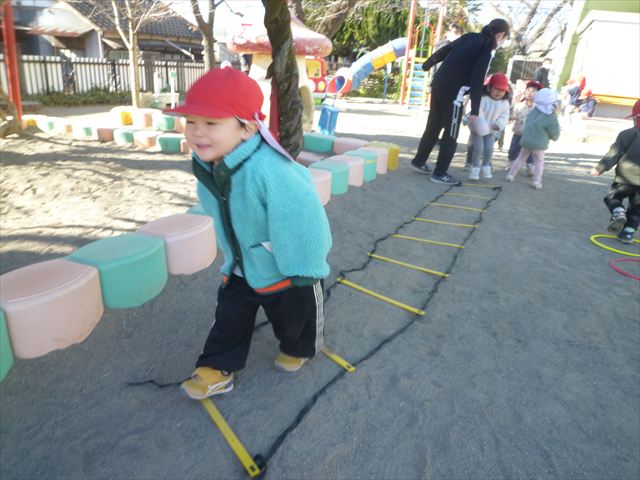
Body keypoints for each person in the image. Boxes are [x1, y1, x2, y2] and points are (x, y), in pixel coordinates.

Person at [164, 67, 332, 399]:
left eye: (211, 123)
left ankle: (300, 346)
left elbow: (304, 220)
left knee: (295, 319)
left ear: (248, 127)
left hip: (288, 267)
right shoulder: (211, 167)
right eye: (191, 121)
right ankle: (216, 367)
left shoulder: (271, 170)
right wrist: (232, 256)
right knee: (229, 316)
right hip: (243, 264)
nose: (197, 132)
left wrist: (304, 269)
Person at [411, 18, 511, 186]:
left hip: (438, 84)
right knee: (451, 133)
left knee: (433, 126)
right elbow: (477, 80)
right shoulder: (486, 49)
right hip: (453, 93)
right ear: (500, 35)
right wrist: (475, 110)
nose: (503, 42)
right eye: (504, 38)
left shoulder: (470, 36)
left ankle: (419, 161)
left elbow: (446, 49)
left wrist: (428, 63)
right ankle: (440, 173)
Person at [590, 99, 640, 244]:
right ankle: (628, 233)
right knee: (637, 208)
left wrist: (599, 168)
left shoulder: (627, 134)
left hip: (625, 178)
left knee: (612, 197)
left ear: (635, 118)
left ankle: (618, 211)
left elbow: (614, 154)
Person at [506, 88, 560, 189]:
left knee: (521, 158)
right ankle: (536, 181)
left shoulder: (534, 110)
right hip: (539, 143)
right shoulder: (550, 115)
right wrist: (555, 137)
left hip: (526, 140)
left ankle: (511, 174)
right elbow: (554, 131)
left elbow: (527, 122)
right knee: (539, 162)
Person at [467, 73, 511, 180]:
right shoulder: (482, 98)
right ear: (489, 87)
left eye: (502, 90)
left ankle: (486, 165)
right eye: (496, 89)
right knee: (478, 148)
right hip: (477, 129)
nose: (499, 92)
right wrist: (481, 126)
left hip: (492, 129)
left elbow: (505, 116)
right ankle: (475, 168)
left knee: (489, 149)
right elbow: (478, 112)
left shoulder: (505, 103)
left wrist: (499, 124)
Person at [507, 80, 543, 174]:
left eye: (533, 91)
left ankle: (530, 166)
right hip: (518, 132)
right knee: (513, 150)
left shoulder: (539, 108)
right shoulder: (519, 105)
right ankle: (511, 164)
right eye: (528, 90)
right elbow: (512, 116)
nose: (529, 93)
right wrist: (511, 114)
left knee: (530, 152)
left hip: (531, 135)